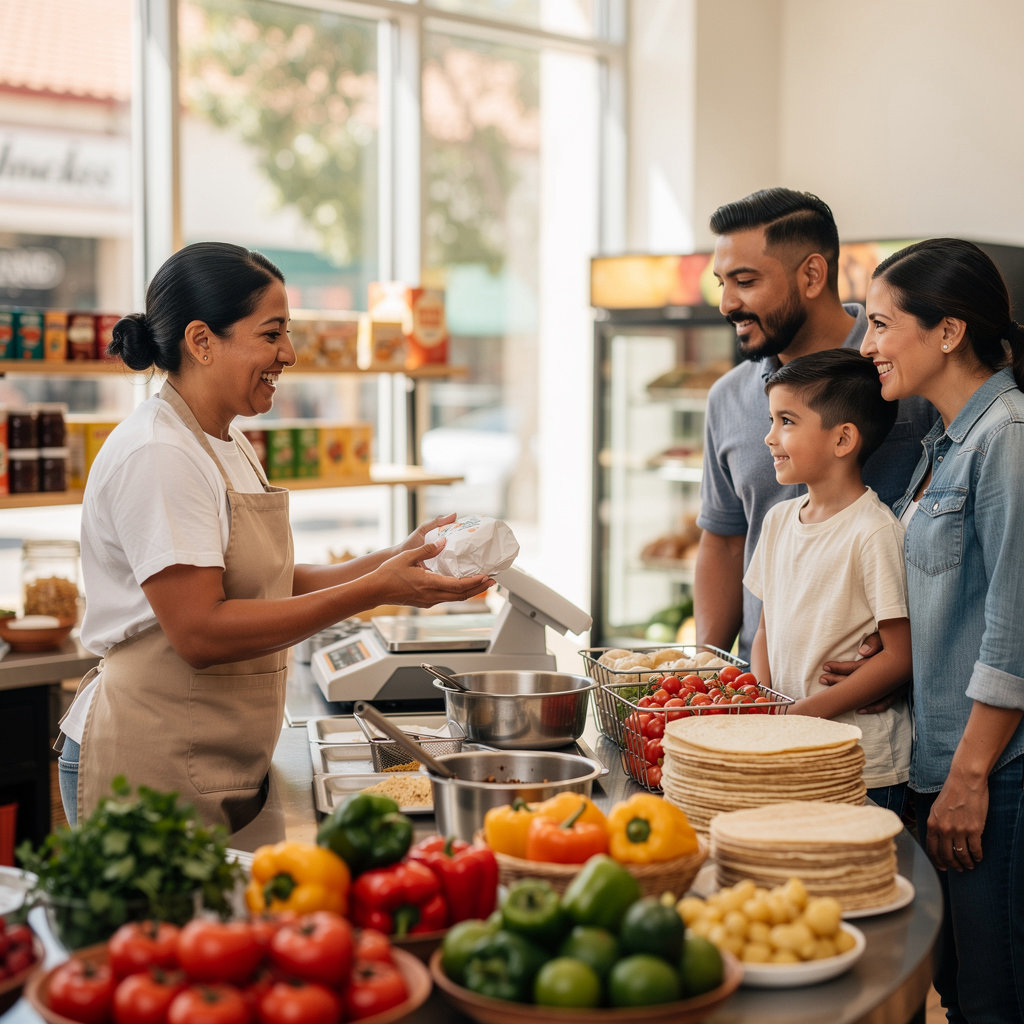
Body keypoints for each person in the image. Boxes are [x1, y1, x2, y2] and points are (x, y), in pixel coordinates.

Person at [56, 242, 493, 832]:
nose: (288, 353)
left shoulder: (226, 440)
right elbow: (200, 631)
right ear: (202, 341)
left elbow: (269, 581)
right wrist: (373, 591)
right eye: (271, 333)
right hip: (151, 755)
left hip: (208, 749)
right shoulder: (161, 452)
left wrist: (397, 559)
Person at [861, 238, 1024, 1022]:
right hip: (948, 763)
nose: (867, 347)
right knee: (956, 994)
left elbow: (1016, 627)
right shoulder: (941, 443)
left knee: (994, 1001)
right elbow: (949, 594)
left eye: (883, 325)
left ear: (949, 332)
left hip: (996, 777)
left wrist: (968, 778)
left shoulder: (1007, 438)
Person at [695, 187, 933, 664]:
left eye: (744, 281)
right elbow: (723, 541)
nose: (726, 304)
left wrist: (894, 662)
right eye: (722, 283)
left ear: (811, 275)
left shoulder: (912, 377)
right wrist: (708, 671)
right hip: (765, 686)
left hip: (889, 696)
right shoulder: (727, 398)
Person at [744, 349, 912, 813]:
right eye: (772, 419)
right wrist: (763, 703)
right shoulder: (778, 520)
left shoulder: (874, 532)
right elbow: (764, 629)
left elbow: (900, 657)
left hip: (860, 764)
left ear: (843, 440)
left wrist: (798, 715)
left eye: (787, 421)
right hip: (790, 747)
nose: (769, 437)